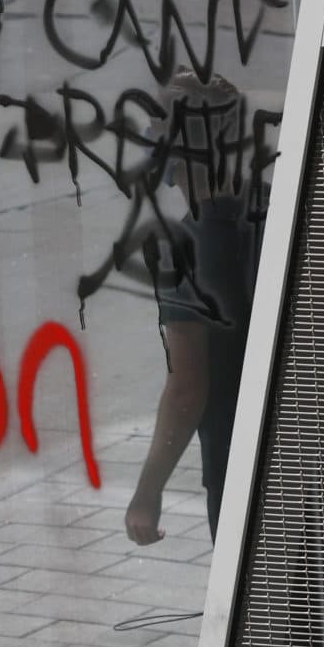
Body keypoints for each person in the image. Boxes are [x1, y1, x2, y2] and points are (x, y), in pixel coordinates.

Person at [126, 70, 265, 547]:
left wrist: (147, 492)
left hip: (240, 466)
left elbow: (187, 390)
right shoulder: (276, 210)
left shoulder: (186, 250)